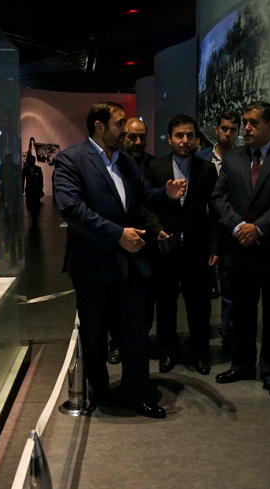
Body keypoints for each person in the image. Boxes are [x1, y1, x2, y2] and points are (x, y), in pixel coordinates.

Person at [52, 101, 186, 419]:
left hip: (131, 264)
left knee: (136, 332)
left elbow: (144, 195)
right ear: (99, 126)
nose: (125, 129)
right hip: (93, 265)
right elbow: (71, 208)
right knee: (95, 335)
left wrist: (166, 194)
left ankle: (135, 394)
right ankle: (101, 394)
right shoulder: (71, 160)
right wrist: (117, 234)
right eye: (119, 123)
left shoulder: (125, 161)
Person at [212, 101, 270, 402]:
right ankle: (241, 364)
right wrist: (239, 226)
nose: (247, 129)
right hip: (240, 249)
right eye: (246, 122)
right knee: (242, 312)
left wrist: (259, 228)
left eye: (254, 123)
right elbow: (219, 198)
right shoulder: (233, 158)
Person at [142, 114, 221, 376]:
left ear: (196, 138)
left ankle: (200, 352)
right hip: (165, 248)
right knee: (165, 304)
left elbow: (215, 211)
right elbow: (145, 205)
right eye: (179, 135)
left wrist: (215, 246)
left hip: (197, 249)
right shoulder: (155, 167)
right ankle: (168, 351)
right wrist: (157, 230)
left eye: (189, 135)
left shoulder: (207, 170)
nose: (185, 140)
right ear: (169, 139)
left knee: (199, 305)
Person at [106, 116, 155, 365]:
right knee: (115, 301)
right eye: (132, 136)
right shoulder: (114, 163)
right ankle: (117, 342)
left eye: (142, 137)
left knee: (145, 300)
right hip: (117, 242)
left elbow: (152, 199)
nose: (137, 142)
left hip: (146, 242)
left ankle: (140, 341)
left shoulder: (153, 165)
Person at [197, 110, 241, 353]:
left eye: (233, 129)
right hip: (202, 229)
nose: (227, 133)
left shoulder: (243, 158)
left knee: (230, 286)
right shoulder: (201, 158)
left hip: (230, 229)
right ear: (216, 130)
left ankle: (228, 332)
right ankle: (201, 333)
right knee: (200, 288)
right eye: (224, 128)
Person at [0, 153, 24, 267]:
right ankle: (17, 254)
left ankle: (15, 255)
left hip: (11, 201)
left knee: (12, 230)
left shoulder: (5, 168)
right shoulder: (14, 168)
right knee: (14, 230)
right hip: (11, 201)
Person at [22, 137, 44, 227]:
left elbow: (41, 179)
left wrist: (40, 188)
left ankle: (35, 217)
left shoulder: (38, 169)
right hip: (29, 189)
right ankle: (33, 216)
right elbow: (23, 178)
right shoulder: (26, 169)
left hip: (36, 190)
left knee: (36, 204)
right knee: (29, 204)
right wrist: (22, 188)